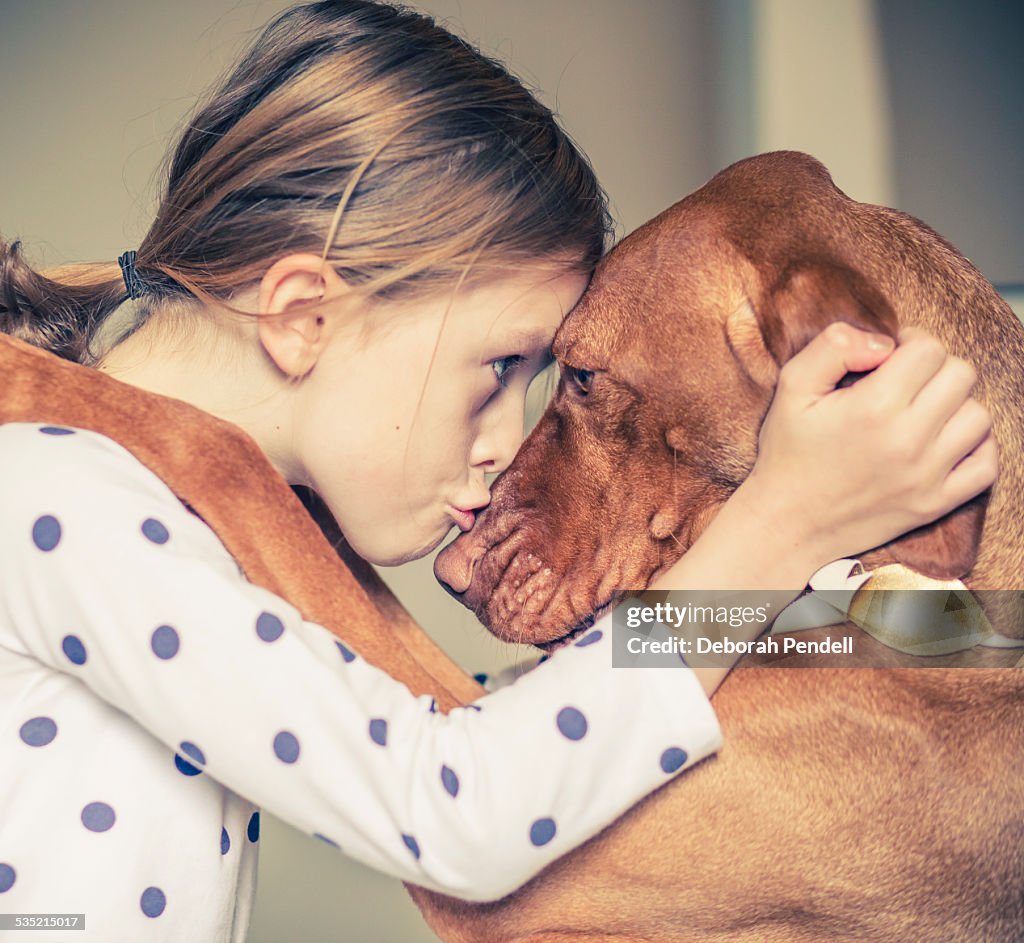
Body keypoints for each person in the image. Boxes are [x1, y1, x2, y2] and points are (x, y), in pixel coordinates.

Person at [0, 1, 996, 941]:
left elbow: (505, 754)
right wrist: (784, 524)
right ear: (303, 317)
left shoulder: (103, 496)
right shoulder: (64, 493)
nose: (500, 444)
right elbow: (456, 807)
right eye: (501, 368)